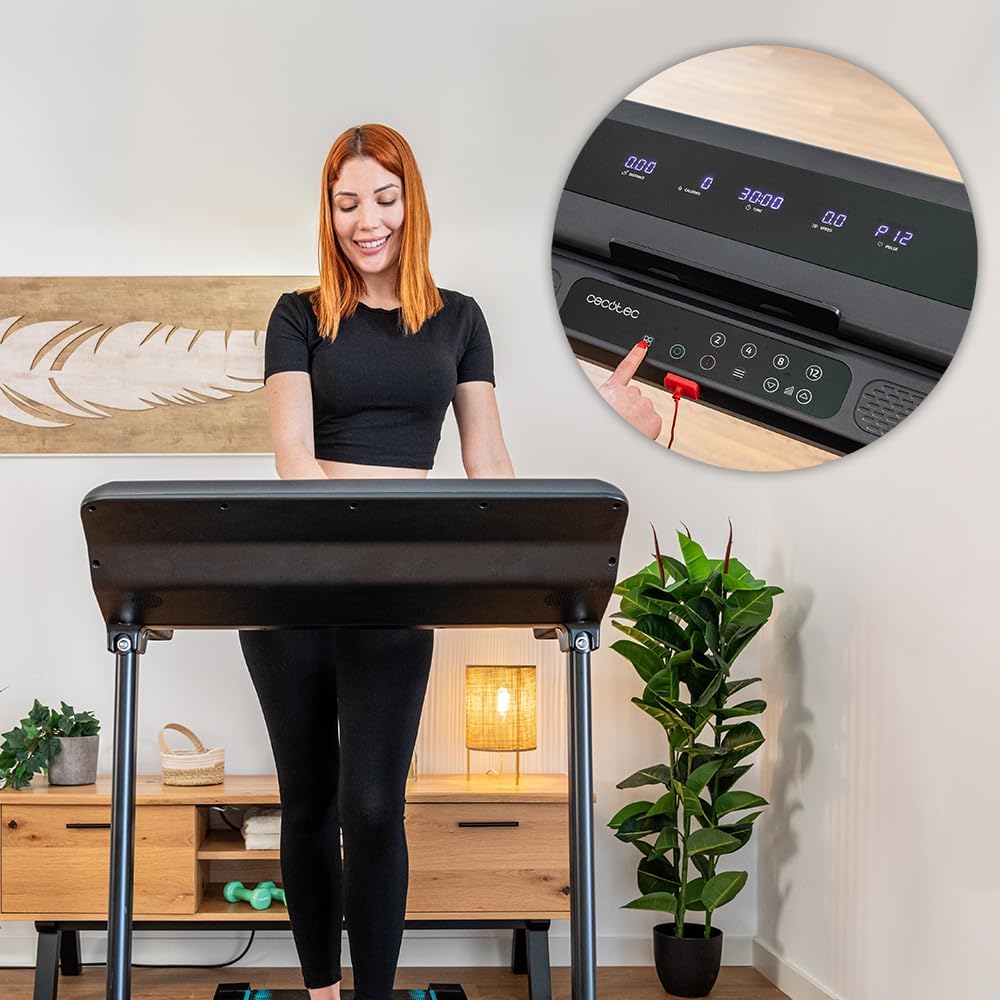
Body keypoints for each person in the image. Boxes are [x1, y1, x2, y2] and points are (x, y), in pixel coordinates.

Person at [239, 123, 515, 1000]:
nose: (368, 221)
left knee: (373, 804)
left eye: (384, 200)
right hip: (292, 576)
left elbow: (488, 462)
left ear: (412, 202)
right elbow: (293, 458)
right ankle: (323, 991)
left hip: (398, 579)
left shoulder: (460, 319)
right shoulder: (297, 315)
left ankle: (373, 997)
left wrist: (537, 535)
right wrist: (372, 515)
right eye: (347, 202)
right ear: (328, 211)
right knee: (311, 802)